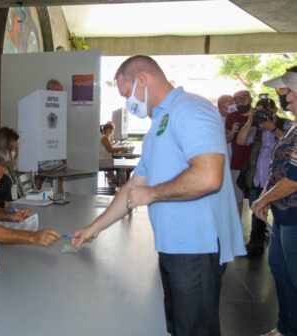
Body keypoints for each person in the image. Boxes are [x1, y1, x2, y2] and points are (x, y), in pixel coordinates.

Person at [72, 55, 245, 336]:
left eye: (127, 94)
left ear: (142, 80)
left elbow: (208, 176)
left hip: (197, 246)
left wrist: (151, 194)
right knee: (178, 327)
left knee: (195, 329)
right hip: (173, 245)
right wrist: (93, 228)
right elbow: (132, 187)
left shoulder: (191, 109)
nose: (128, 103)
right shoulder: (159, 123)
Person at [251, 67, 297, 336]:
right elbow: (278, 165)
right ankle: (287, 328)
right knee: (281, 271)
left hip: (293, 215)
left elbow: (293, 179)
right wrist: (268, 193)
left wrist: (261, 200)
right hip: (284, 215)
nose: (284, 96)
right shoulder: (292, 127)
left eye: (287, 89)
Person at [236, 97, 292, 256]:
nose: (263, 114)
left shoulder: (286, 124)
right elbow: (240, 141)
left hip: (281, 179)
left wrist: (273, 128)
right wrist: (250, 121)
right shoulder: (257, 128)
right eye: (259, 111)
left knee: (281, 214)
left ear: (274, 110)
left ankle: (282, 244)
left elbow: (291, 144)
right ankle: (255, 243)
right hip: (259, 177)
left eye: (266, 110)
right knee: (257, 210)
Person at [225, 90, 255, 216]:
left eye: (243, 97)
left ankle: (258, 230)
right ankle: (238, 228)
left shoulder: (259, 115)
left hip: (257, 164)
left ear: (250, 98)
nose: (239, 100)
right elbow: (226, 139)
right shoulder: (231, 117)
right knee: (237, 197)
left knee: (256, 197)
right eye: (236, 98)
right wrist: (232, 132)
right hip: (238, 162)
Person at [34, 79, 66, 193]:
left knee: (59, 178)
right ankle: (32, 202)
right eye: (58, 90)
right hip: (43, 149)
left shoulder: (60, 105)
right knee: (39, 178)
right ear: (49, 90)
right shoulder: (40, 104)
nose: (61, 92)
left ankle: (60, 202)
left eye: (61, 90)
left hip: (56, 148)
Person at [0, 126, 22, 208]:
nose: (14, 153)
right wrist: (4, 204)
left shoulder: (5, 165)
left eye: (16, 149)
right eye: (13, 149)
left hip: (11, 210)